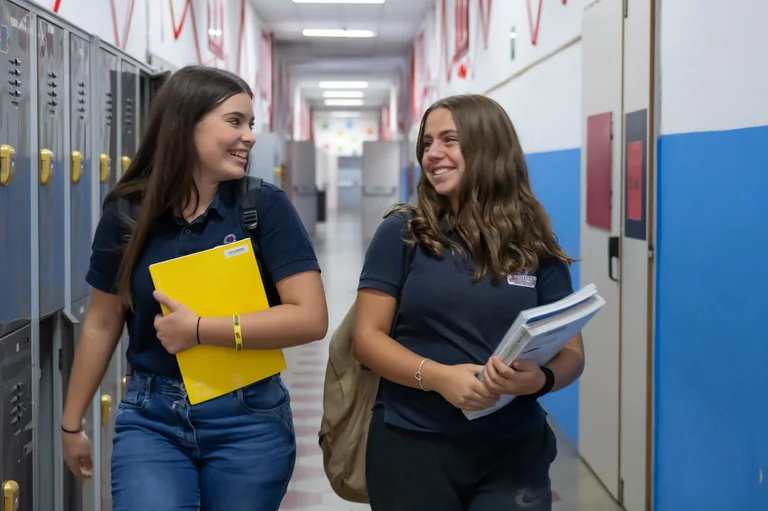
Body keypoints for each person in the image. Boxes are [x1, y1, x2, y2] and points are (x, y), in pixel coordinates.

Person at [61, 66, 328, 511]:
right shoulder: (127, 213)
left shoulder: (262, 207)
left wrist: (202, 330)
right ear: (186, 124)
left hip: (249, 417)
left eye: (251, 124)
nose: (250, 136)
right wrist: (72, 425)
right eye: (235, 121)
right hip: (152, 416)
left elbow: (310, 316)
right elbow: (101, 323)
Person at [353, 94, 585, 511]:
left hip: (513, 449)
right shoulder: (403, 233)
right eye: (427, 143)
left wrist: (540, 381)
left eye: (449, 140)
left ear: (489, 147)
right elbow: (367, 339)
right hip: (413, 445)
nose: (433, 154)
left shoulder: (533, 241)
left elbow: (572, 353)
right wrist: (439, 377)